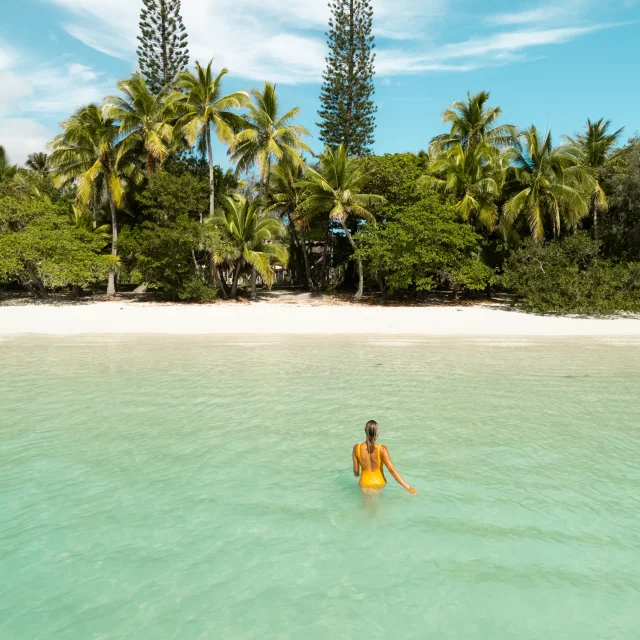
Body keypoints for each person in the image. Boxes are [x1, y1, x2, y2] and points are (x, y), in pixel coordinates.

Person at [352, 420, 417, 494]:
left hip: (364, 482)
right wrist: (408, 488)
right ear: (376, 432)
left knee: (365, 504)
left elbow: (356, 472)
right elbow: (392, 470)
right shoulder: (382, 449)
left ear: (365, 431)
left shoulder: (356, 448)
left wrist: (358, 474)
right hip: (379, 483)